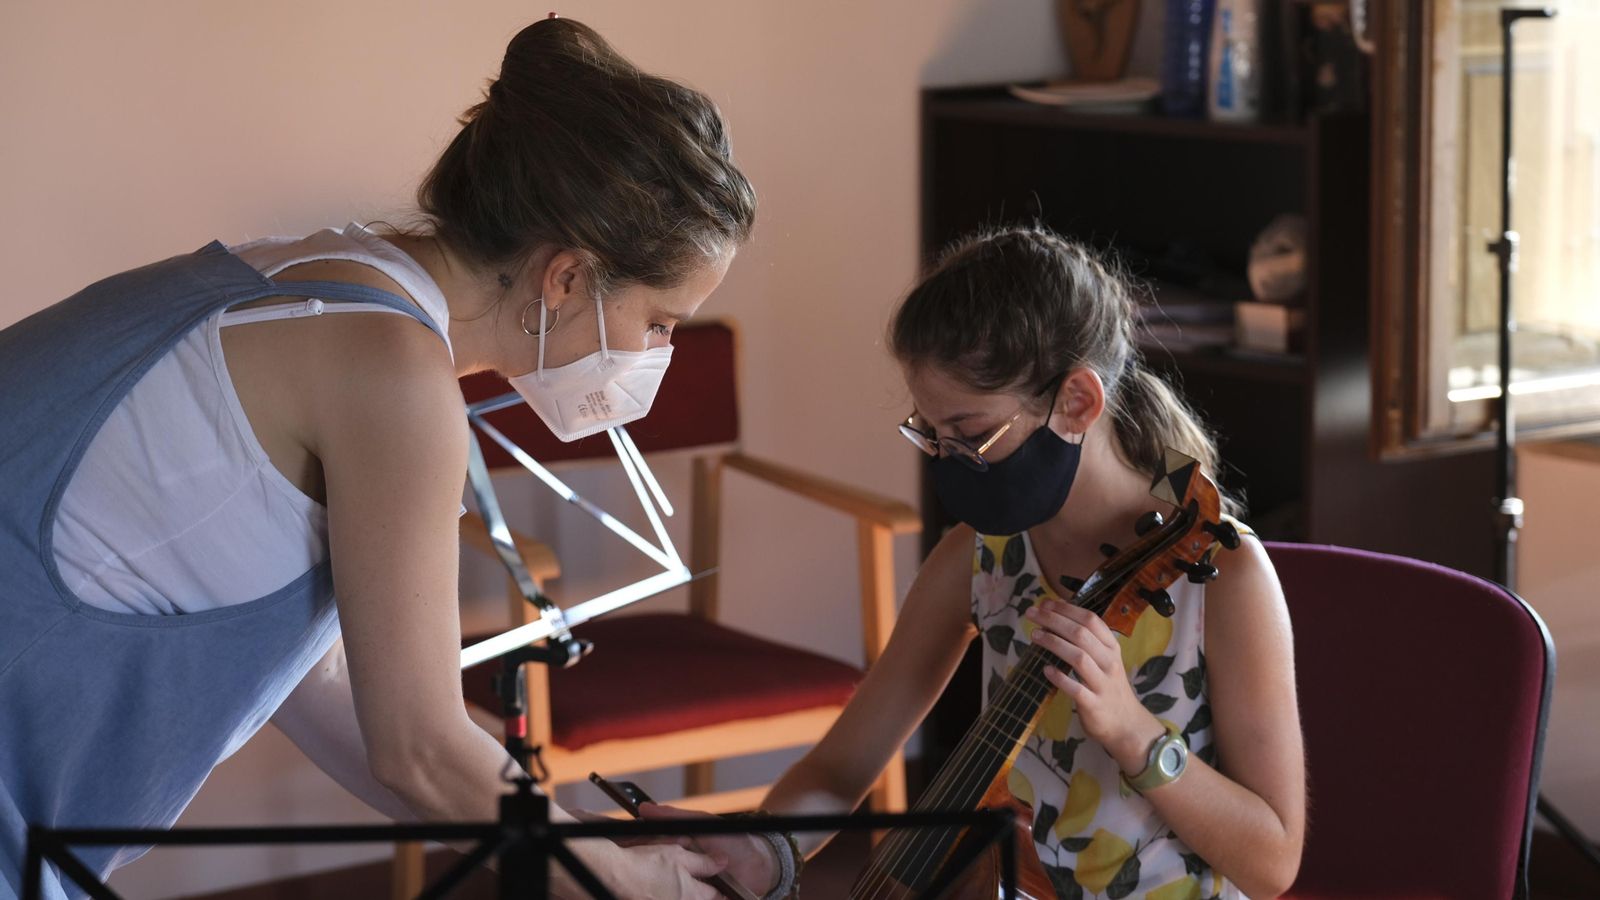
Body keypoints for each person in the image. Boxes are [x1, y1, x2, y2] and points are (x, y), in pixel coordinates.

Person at [0, 16, 755, 900]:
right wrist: (628, 886)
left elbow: (314, 681)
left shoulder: (319, 270)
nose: (657, 353)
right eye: (659, 323)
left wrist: (580, 846)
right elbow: (418, 746)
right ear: (566, 278)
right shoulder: (393, 376)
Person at [715, 226, 1306, 899]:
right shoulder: (980, 555)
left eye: (969, 436)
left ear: (1077, 403)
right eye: (929, 433)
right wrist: (758, 850)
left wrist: (1132, 729)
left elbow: (1272, 860)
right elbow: (840, 770)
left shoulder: (1225, 577)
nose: (947, 460)